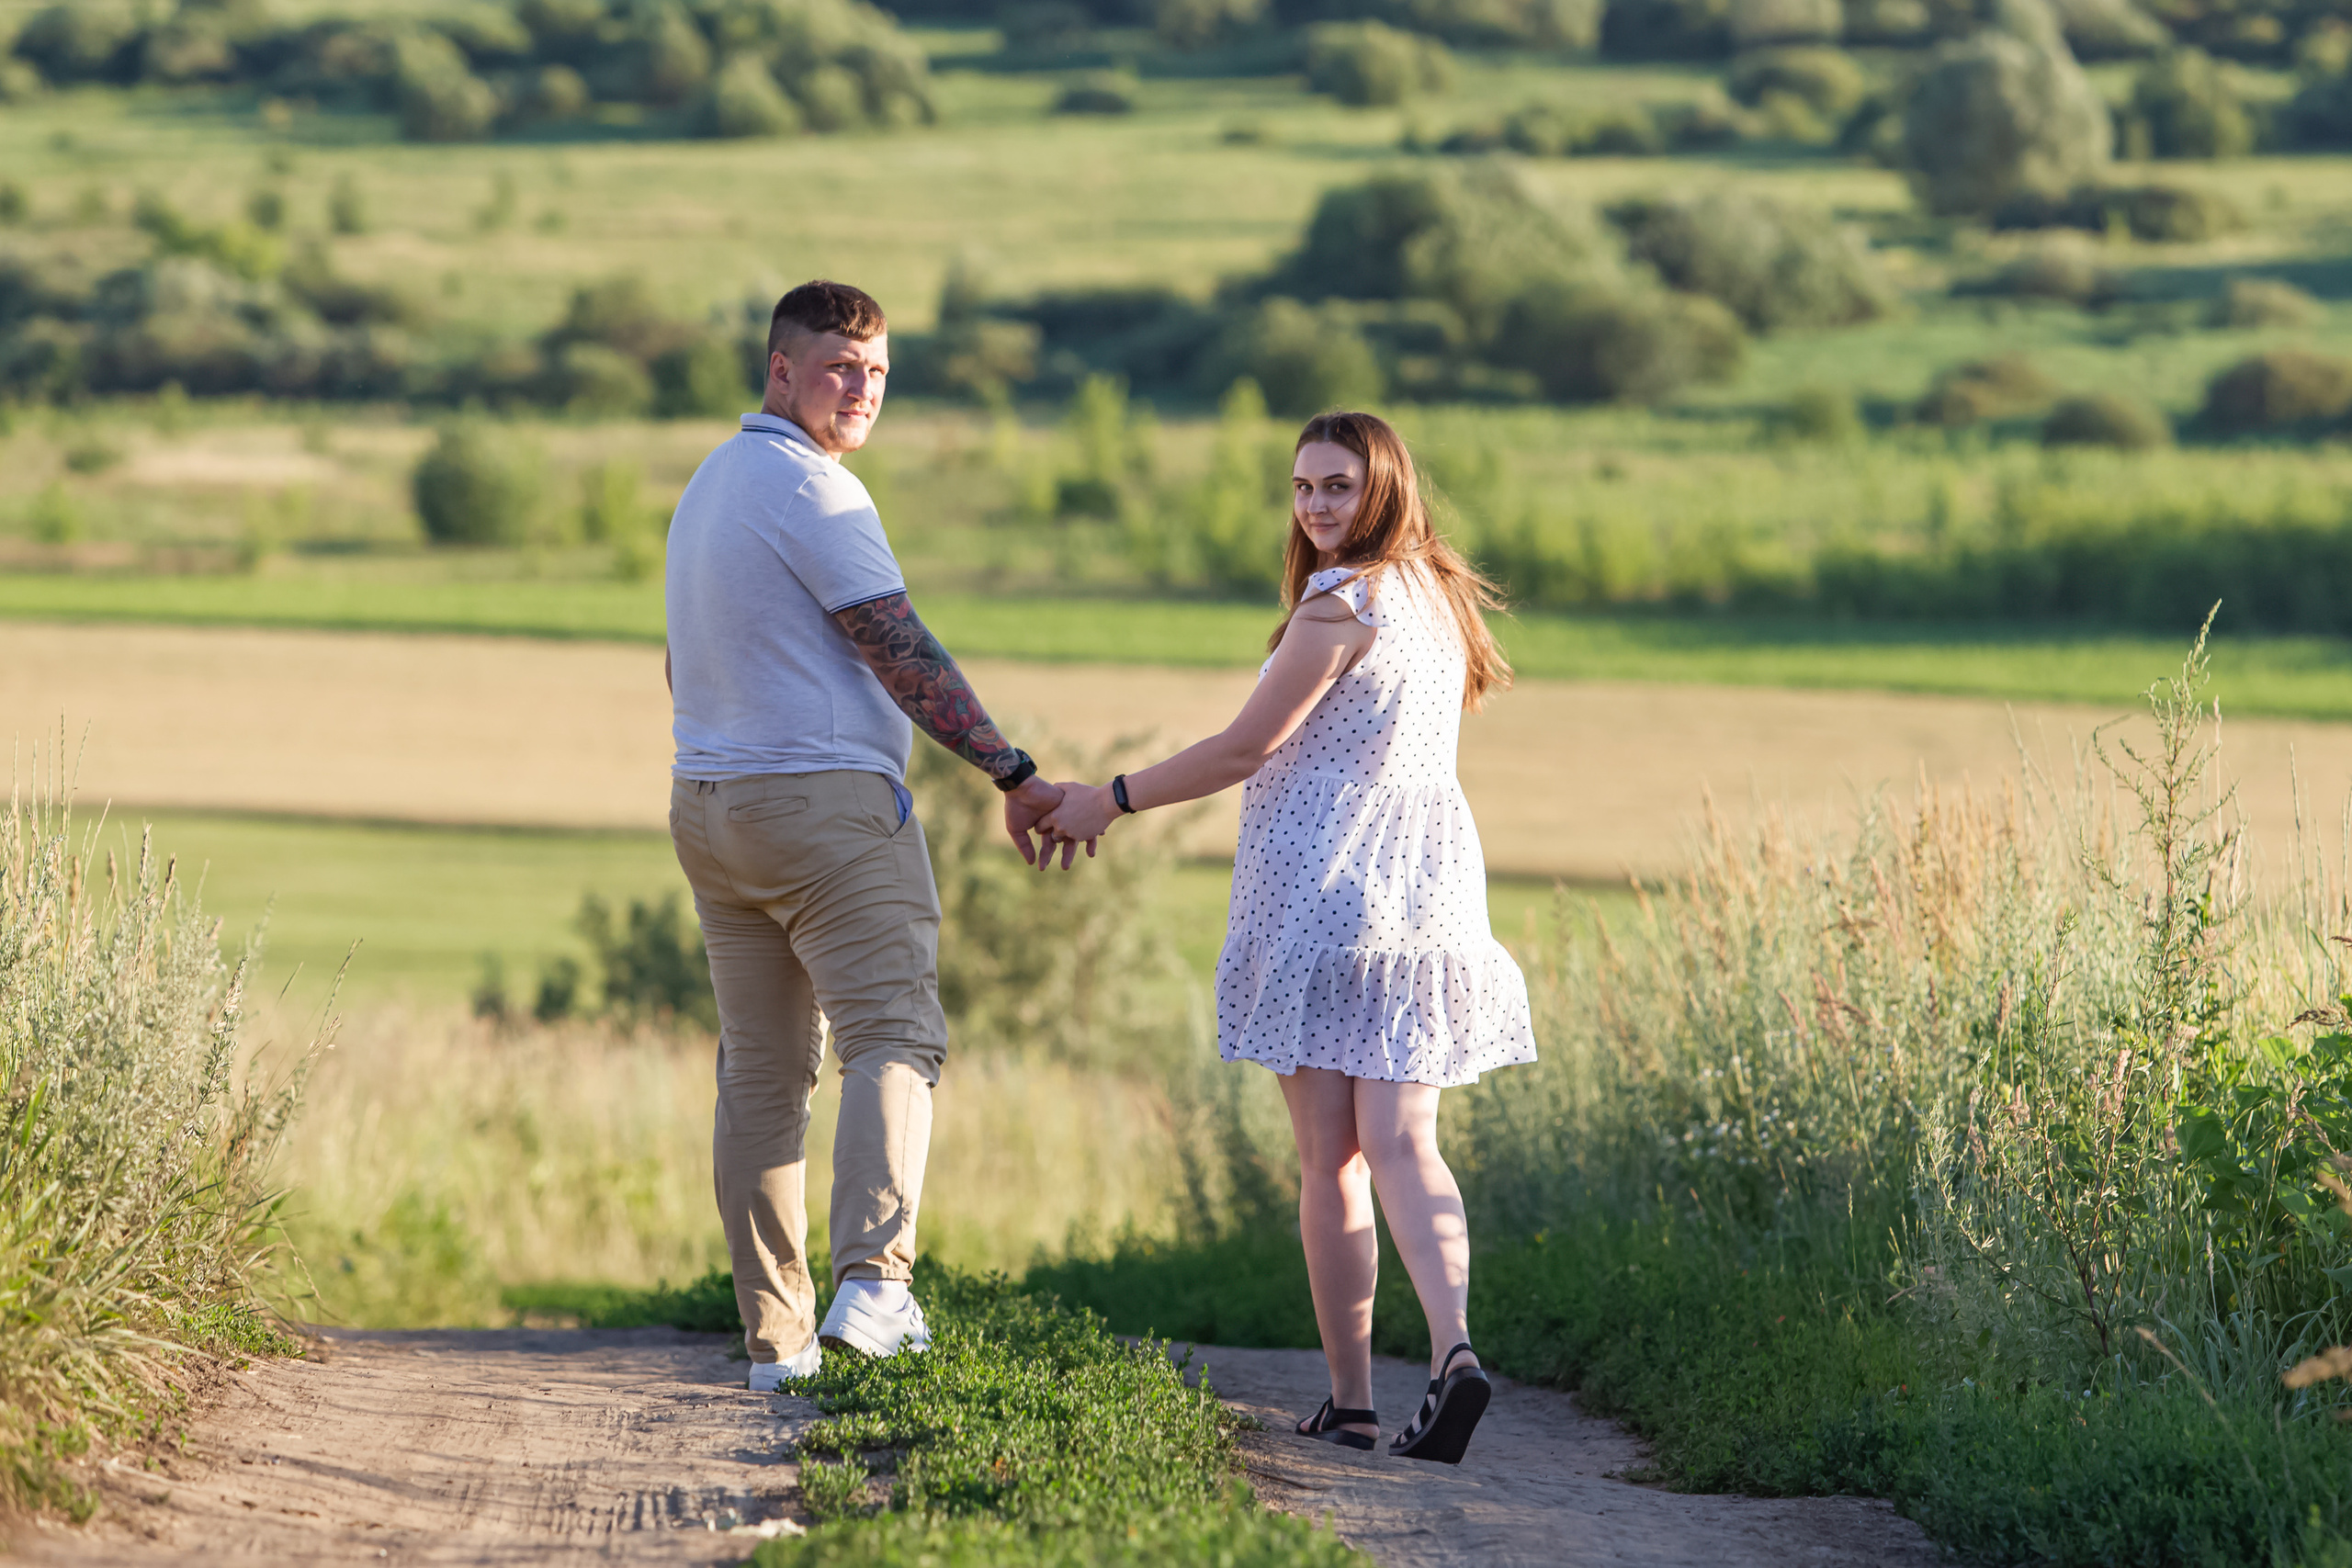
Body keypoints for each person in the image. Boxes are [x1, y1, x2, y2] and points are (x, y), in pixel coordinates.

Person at [1037, 410, 1536, 1464]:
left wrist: (1109, 799)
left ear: (1384, 488)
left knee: (1329, 1161)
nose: (1315, 507)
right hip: (1427, 894)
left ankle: (1351, 1402)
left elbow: (1239, 749)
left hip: (1321, 893)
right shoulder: (1434, 595)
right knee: (1405, 1140)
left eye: (1337, 487)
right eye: (1303, 488)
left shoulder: (1340, 601)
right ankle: (1453, 1353)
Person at [663, 279, 1071, 1393]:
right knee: (894, 1034)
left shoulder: (709, 484)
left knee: (762, 1073)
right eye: (840, 367)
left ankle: (776, 1347)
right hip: (824, 808)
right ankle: (879, 1286)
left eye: (879, 371)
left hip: (709, 806)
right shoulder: (815, 493)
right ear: (779, 370)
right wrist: (1014, 772)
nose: (863, 389)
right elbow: (898, 646)